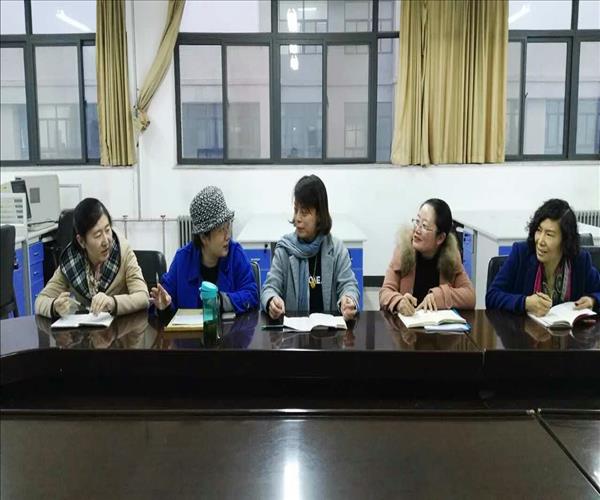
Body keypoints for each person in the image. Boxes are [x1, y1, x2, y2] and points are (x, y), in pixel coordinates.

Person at [261, 175, 359, 320]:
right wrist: (271, 300)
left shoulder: (336, 249)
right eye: (296, 210)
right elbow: (269, 288)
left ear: (319, 215)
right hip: (294, 332)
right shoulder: (285, 250)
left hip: (329, 332)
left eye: (304, 212)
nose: (297, 218)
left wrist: (348, 299)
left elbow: (349, 285)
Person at [151, 186, 258, 319]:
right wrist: (164, 307)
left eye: (228, 227)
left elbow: (252, 295)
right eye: (221, 230)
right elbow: (165, 299)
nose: (228, 235)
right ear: (204, 237)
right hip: (191, 333)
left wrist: (220, 301)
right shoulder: (183, 259)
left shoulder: (235, 254)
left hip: (230, 331)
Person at [35, 198, 149, 318]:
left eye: (107, 230)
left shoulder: (123, 251)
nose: (106, 241)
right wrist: (54, 306)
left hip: (122, 327)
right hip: (87, 328)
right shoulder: (71, 261)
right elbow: (40, 301)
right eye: (98, 235)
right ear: (81, 241)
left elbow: (143, 297)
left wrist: (113, 302)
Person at [486, 199, 600, 315]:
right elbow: (492, 296)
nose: (540, 241)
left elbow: (598, 291)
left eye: (549, 234)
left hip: (566, 326)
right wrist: (525, 303)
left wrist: (593, 300)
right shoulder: (521, 254)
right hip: (524, 326)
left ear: (565, 240)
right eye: (539, 230)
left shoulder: (579, 260)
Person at [379, 198, 475, 315]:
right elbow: (385, 292)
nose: (417, 230)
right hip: (407, 324)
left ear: (440, 238)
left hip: (438, 325)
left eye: (424, 226)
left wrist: (439, 295)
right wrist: (398, 301)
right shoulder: (403, 251)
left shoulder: (451, 257)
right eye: (417, 221)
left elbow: (470, 297)